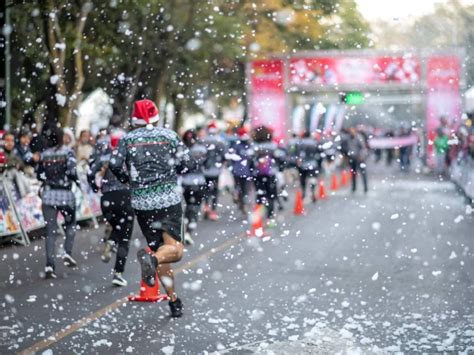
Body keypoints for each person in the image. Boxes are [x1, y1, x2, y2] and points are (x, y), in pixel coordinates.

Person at [110, 99, 187, 318]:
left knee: (162, 251)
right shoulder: (169, 136)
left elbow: (114, 165)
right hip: (168, 200)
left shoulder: (127, 139)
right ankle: (150, 260)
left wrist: (129, 180)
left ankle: (173, 300)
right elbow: (188, 163)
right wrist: (172, 170)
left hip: (142, 203)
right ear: (155, 116)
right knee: (176, 251)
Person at [88, 128, 133, 287]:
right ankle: (118, 273)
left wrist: (94, 187)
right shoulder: (128, 157)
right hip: (125, 196)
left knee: (117, 227)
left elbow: (89, 172)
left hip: (106, 199)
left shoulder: (104, 157)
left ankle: (111, 241)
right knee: (125, 237)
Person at [37, 126, 79, 279]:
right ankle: (67, 252)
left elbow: (39, 175)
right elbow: (72, 172)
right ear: (62, 138)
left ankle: (49, 265)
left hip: (48, 195)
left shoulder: (44, 154)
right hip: (66, 195)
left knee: (50, 231)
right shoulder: (68, 152)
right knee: (71, 224)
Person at [252, 126, 285, 225]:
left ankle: (258, 218)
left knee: (260, 194)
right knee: (271, 195)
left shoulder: (254, 146)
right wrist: (280, 168)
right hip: (271, 173)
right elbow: (281, 158)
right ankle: (270, 218)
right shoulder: (273, 146)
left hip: (258, 174)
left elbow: (250, 160)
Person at [179, 129, 207, 245]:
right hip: (199, 181)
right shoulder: (202, 150)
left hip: (186, 182)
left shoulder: (182, 150)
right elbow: (207, 164)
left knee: (189, 206)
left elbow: (179, 167)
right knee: (195, 207)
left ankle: (185, 228)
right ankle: (189, 230)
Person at [201, 122, 227, 221]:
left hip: (205, 170)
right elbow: (224, 156)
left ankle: (206, 207)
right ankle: (213, 210)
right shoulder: (220, 141)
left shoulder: (203, 140)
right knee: (215, 191)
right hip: (216, 170)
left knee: (206, 190)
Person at [227, 127, 254, 215]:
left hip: (237, 170)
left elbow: (231, 158)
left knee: (239, 187)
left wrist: (231, 167)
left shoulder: (235, 144)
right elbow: (251, 159)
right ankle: (243, 203)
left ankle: (238, 197)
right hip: (245, 171)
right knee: (245, 189)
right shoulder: (248, 145)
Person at [295, 131, 320, 202]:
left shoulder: (300, 142)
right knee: (312, 178)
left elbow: (297, 152)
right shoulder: (314, 142)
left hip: (303, 164)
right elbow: (319, 151)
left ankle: (303, 192)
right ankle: (312, 192)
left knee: (303, 179)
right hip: (313, 163)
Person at [346, 127, 369, 193]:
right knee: (353, 173)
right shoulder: (348, 138)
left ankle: (365, 187)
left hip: (360, 158)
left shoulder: (359, 138)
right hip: (352, 158)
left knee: (363, 173)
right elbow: (348, 148)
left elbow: (363, 148)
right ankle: (354, 187)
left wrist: (361, 156)